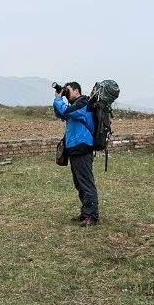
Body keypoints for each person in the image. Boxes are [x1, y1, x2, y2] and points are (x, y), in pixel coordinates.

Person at [53, 81, 99, 227]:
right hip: (75, 148)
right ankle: (86, 212)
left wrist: (58, 98)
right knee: (79, 183)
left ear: (77, 91)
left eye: (68, 91)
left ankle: (92, 216)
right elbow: (60, 113)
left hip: (82, 147)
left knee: (86, 182)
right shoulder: (75, 106)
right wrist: (59, 98)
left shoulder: (83, 103)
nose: (66, 93)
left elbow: (65, 111)